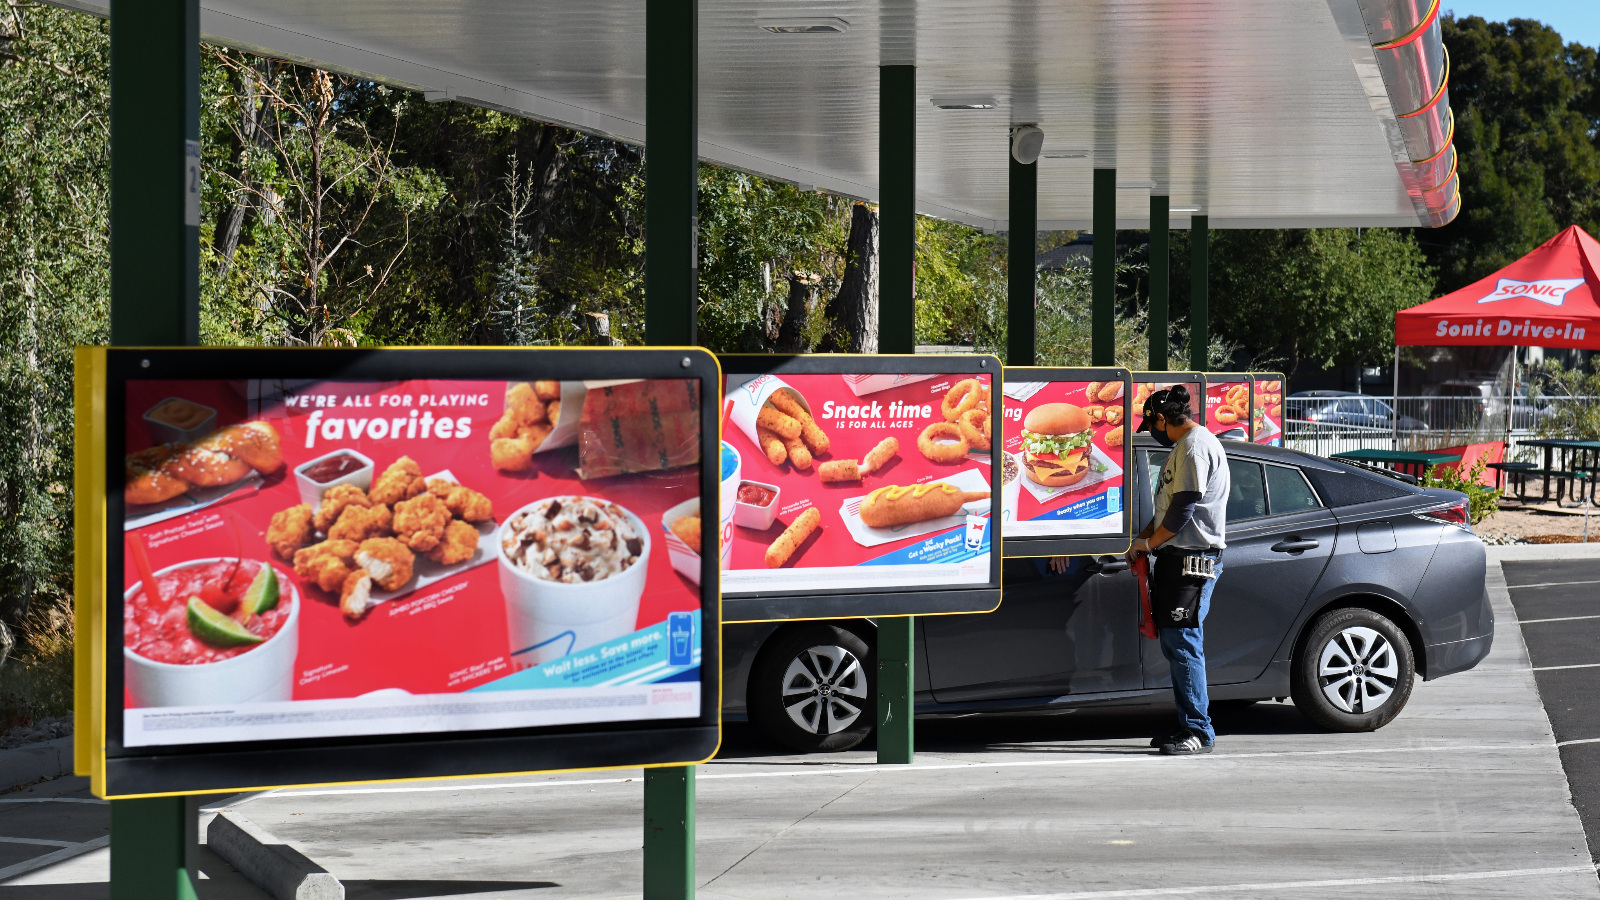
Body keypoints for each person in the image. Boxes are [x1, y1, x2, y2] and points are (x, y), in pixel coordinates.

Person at [1129, 386, 1230, 755]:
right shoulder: (1184, 447)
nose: (1152, 433)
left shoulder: (1194, 447)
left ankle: (1198, 731)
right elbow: (1166, 511)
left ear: (1162, 418)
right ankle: (1188, 722)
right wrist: (1144, 539)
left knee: (1184, 643)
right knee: (1176, 643)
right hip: (1179, 558)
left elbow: (1183, 509)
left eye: (1151, 426)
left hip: (1192, 559)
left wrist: (1148, 544)